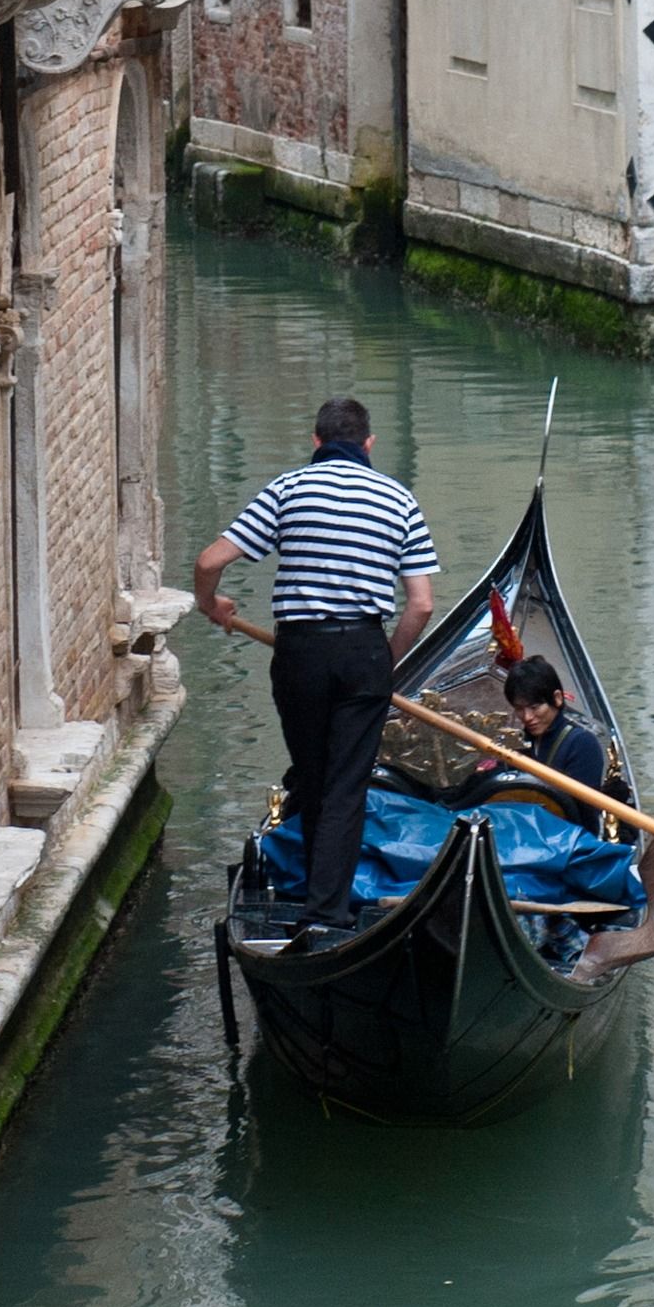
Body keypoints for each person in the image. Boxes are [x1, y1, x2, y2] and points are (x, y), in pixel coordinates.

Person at [193, 395, 438, 938]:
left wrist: (213, 606)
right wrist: (383, 661)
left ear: (317, 441)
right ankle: (326, 915)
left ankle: (306, 895)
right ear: (369, 444)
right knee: (346, 786)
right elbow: (420, 603)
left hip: (300, 653)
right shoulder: (398, 499)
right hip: (363, 652)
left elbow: (210, 561)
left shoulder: (288, 489)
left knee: (313, 774)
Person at [501, 657, 609, 801]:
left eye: (535, 707)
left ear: (557, 698)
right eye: (519, 709)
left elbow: (582, 809)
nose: (527, 717)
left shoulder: (582, 743)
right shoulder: (521, 742)